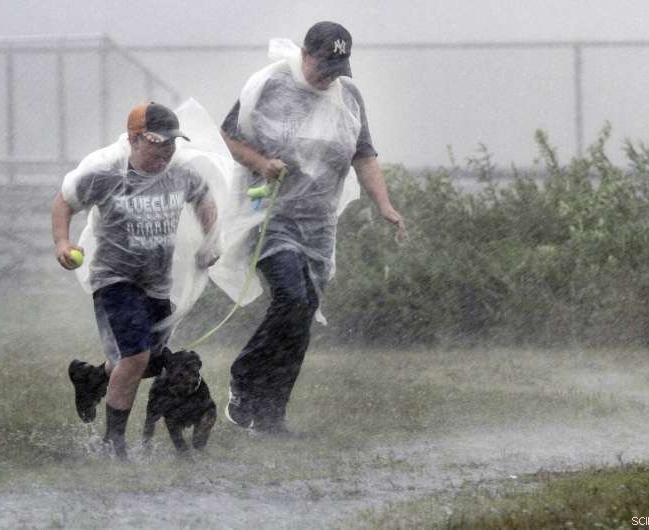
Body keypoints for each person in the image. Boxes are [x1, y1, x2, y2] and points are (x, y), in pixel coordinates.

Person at [219, 21, 407, 434]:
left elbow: (364, 154)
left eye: (338, 67)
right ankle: (244, 376)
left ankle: (270, 416)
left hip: (319, 224)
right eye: (324, 64)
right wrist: (263, 164)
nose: (330, 75)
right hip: (270, 216)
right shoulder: (269, 86)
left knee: (302, 316)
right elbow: (230, 135)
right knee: (291, 297)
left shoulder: (349, 97)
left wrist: (385, 204)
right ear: (305, 54)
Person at [51, 101, 221, 459]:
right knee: (136, 356)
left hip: (155, 283)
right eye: (159, 143)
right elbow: (64, 202)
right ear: (135, 139)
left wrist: (211, 239)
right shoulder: (106, 173)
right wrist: (63, 242)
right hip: (114, 279)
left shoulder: (181, 172)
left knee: (151, 362)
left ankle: (92, 379)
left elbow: (204, 199)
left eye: (172, 143)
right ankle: (114, 445)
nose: (167, 150)